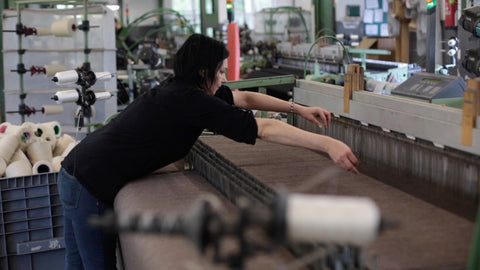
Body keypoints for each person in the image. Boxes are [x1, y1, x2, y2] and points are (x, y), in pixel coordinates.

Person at [58, 33, 359, 270]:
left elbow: (244, 98)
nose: (224, 78)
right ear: (204, 72)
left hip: (75, 168)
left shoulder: (184, 90)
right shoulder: (191, 102)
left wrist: (299, 108)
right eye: (220, 71)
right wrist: (328, 144)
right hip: (90, 183)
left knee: (76, 266)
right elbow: (264, 128)